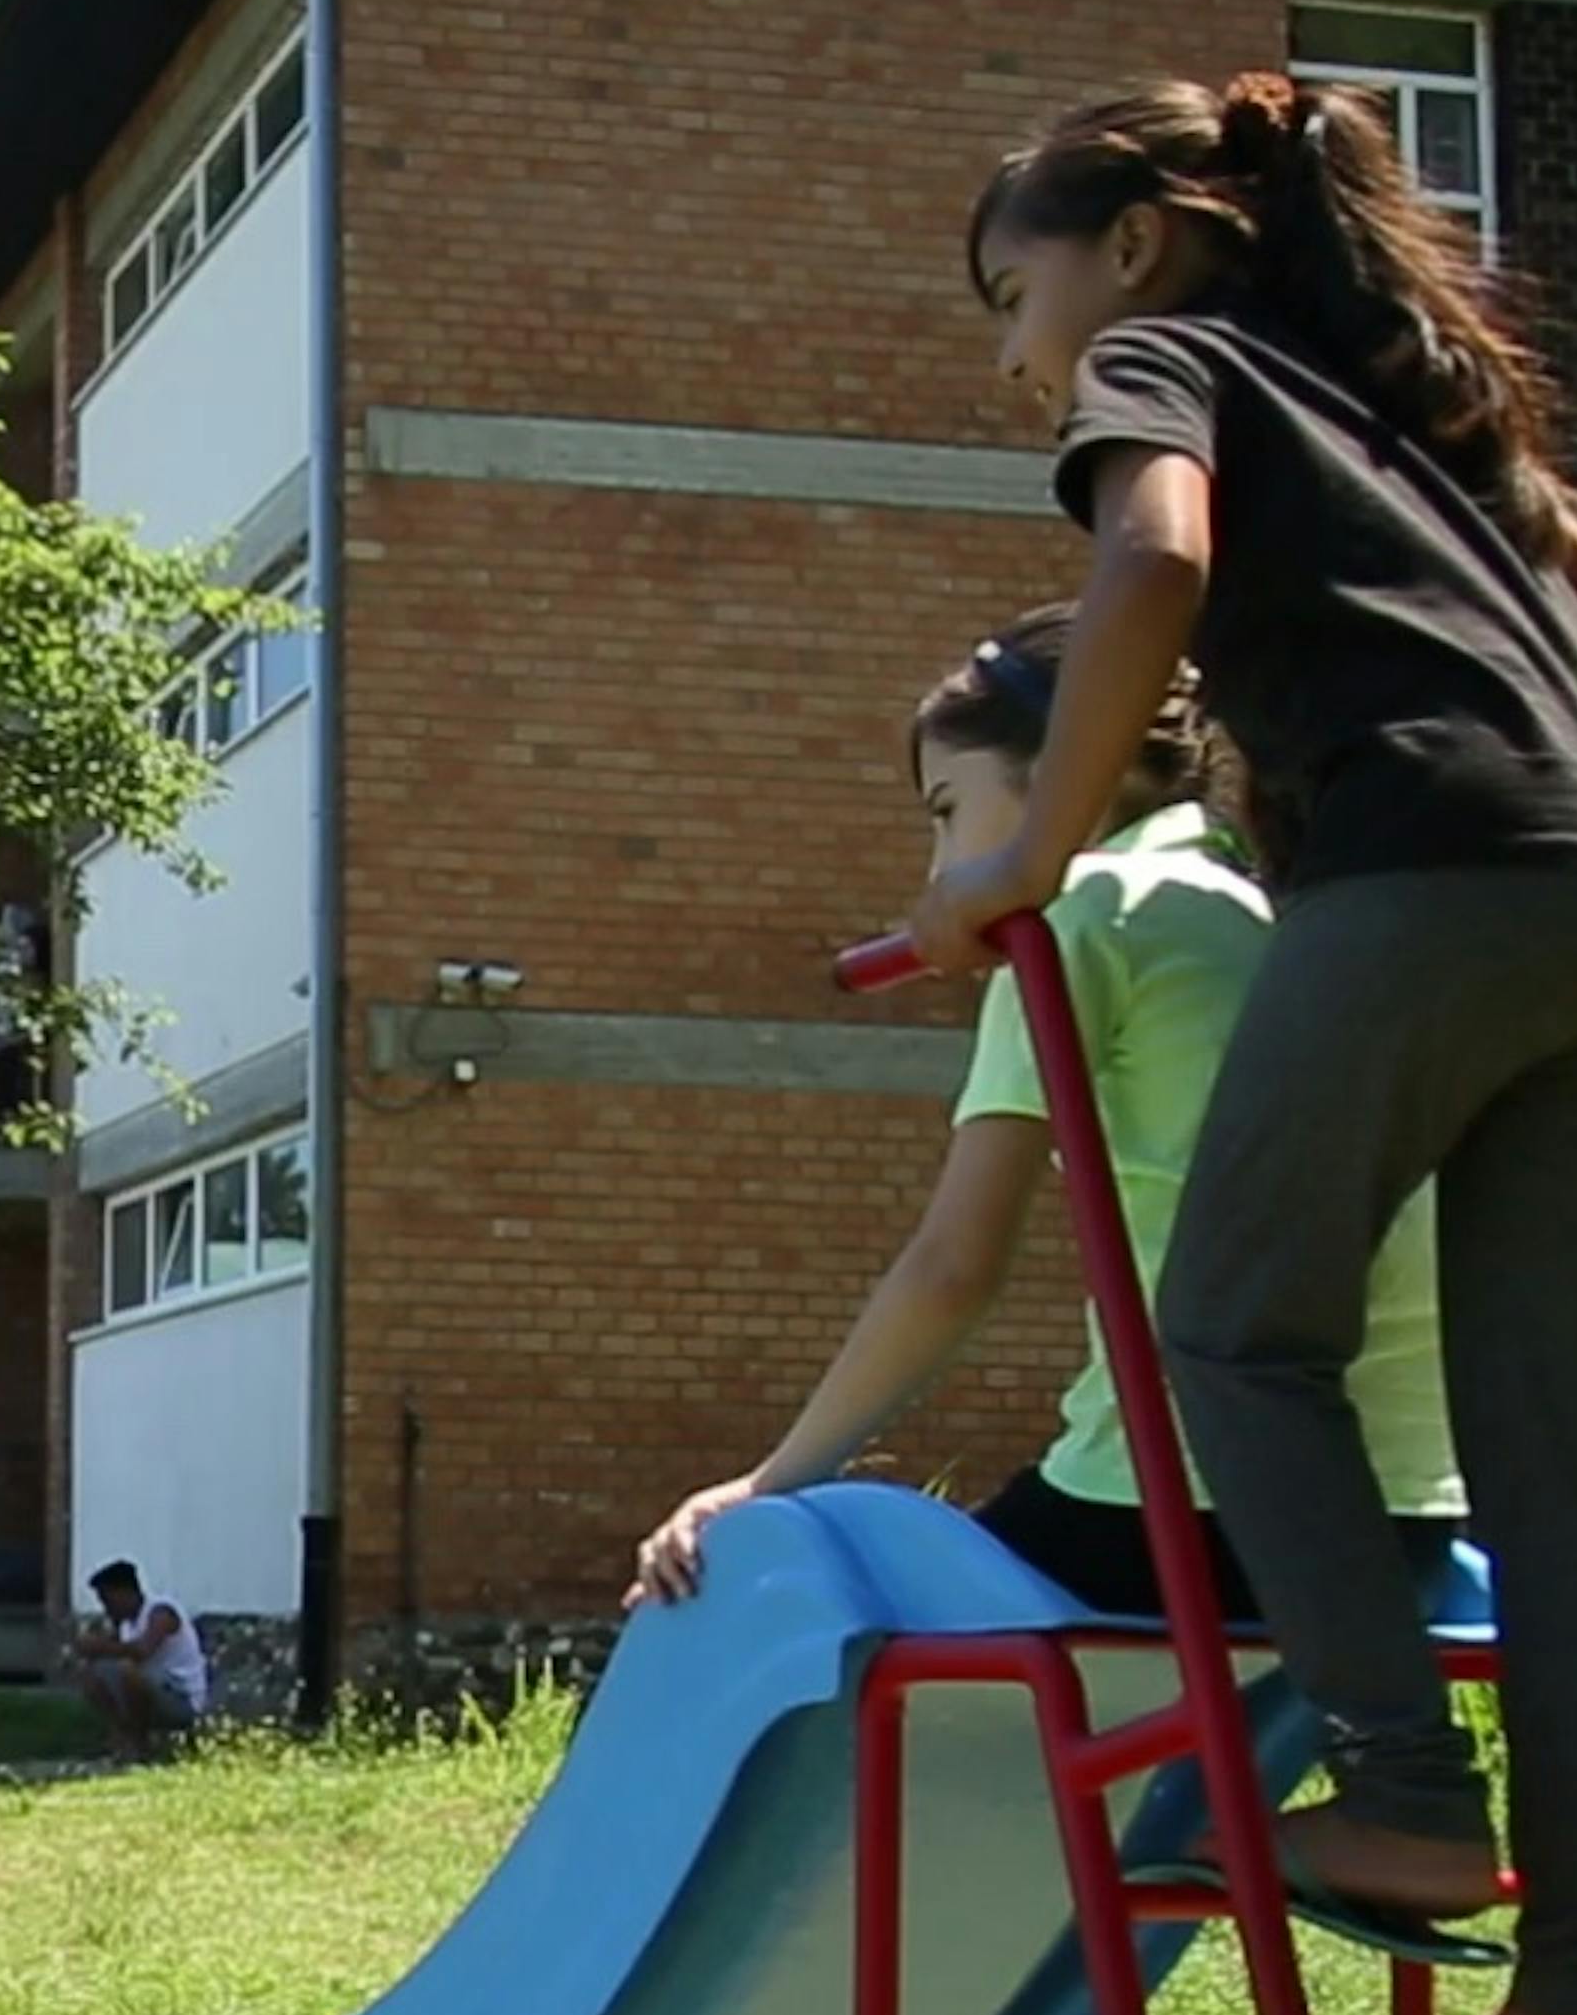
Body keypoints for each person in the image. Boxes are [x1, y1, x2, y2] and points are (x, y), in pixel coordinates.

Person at [935, 73, 1577, 2015]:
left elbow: (1154, 567)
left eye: (1003, 290)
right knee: (1574, 1486)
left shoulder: (1169, 355)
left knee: (1230, 1328)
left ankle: (1398, 1798)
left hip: (1443, 881)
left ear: (1121, 245)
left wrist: (1018, 862)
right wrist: (1555, 810)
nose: (1009, 352)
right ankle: (1576, 2007)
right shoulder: (1413, 405)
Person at [628, 605, 1470, 1629]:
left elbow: (954, 1265)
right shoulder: (1281, 913)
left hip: (1180, 1510)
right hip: (1415, 1512)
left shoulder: (1085, 918)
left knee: (769, 1598)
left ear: (1074, 766)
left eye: (947, 810)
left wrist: (767, 1480)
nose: (940, 869)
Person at [68, 1561, 211, 1763]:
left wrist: (100, 1647)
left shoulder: (161, 1613)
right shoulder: (126, 1624)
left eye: (108, 1600)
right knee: (91, 1673)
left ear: (125, 1593)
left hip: (181, 1698)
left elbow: (142, 1651)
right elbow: (114, 1652)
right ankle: (120, 1736)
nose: (106, 1608)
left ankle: (139, 1743)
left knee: (129, 1672)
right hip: (151, 1693)